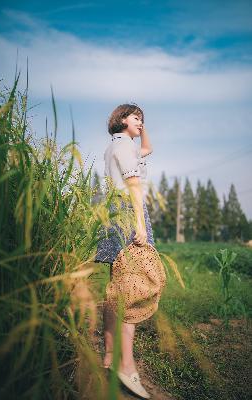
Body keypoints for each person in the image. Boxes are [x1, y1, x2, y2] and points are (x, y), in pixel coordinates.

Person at [94, 103, 165, 399]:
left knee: (116, 287)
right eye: (136, 117)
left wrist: (140, 126)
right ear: (122, 119)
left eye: (143, 119)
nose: (141, 122)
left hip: (113, 213)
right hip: (128, 213)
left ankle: (110, 357)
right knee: (131, 292)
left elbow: (148, 147)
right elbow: (134, 186)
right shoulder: (125, 148)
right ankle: (127, 366)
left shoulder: (119, 146)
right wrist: (140, 225)